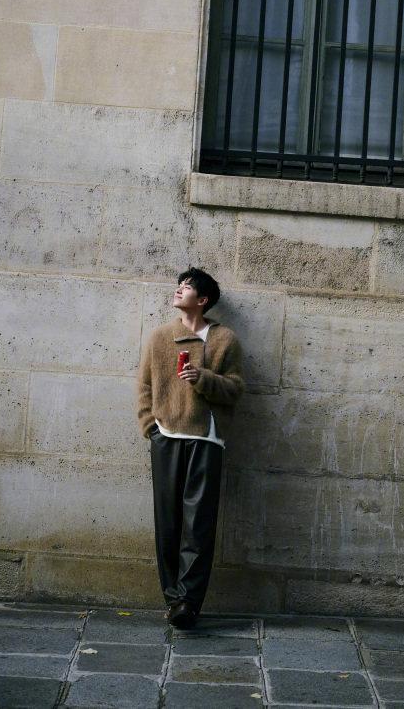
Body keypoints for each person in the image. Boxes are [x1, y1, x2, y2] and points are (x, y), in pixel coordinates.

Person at [136, 267, 245, 629]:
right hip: (166, 436)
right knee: (167, 522)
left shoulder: (225, 339)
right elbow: (144, 387)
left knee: (199, 524)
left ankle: (189, 602)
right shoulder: (160, 337)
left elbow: (236, 388)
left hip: (206, 439)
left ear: (203, 299)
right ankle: (173, 600)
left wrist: (204, 378)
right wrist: (151, 427)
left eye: (187, 287)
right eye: (179, 285)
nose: (179, 290)